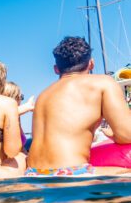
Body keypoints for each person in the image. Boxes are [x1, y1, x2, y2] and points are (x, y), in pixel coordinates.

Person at [27, 36, 131, 176]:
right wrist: (113, 136)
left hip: (33, 174)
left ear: (56, 69)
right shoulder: (103, 83)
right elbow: (127, 135)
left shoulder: (43, 95)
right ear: (91, 63)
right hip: (71, 172)